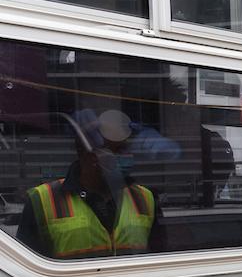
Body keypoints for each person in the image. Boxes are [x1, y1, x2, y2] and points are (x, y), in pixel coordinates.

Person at [17, 110, 165, 260]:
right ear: (89, 155)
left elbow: (161, 262)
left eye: (126, 150)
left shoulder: (145, 199)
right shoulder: (42, 201)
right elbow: (25, 268)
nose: (126, 157)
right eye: (117, 150)